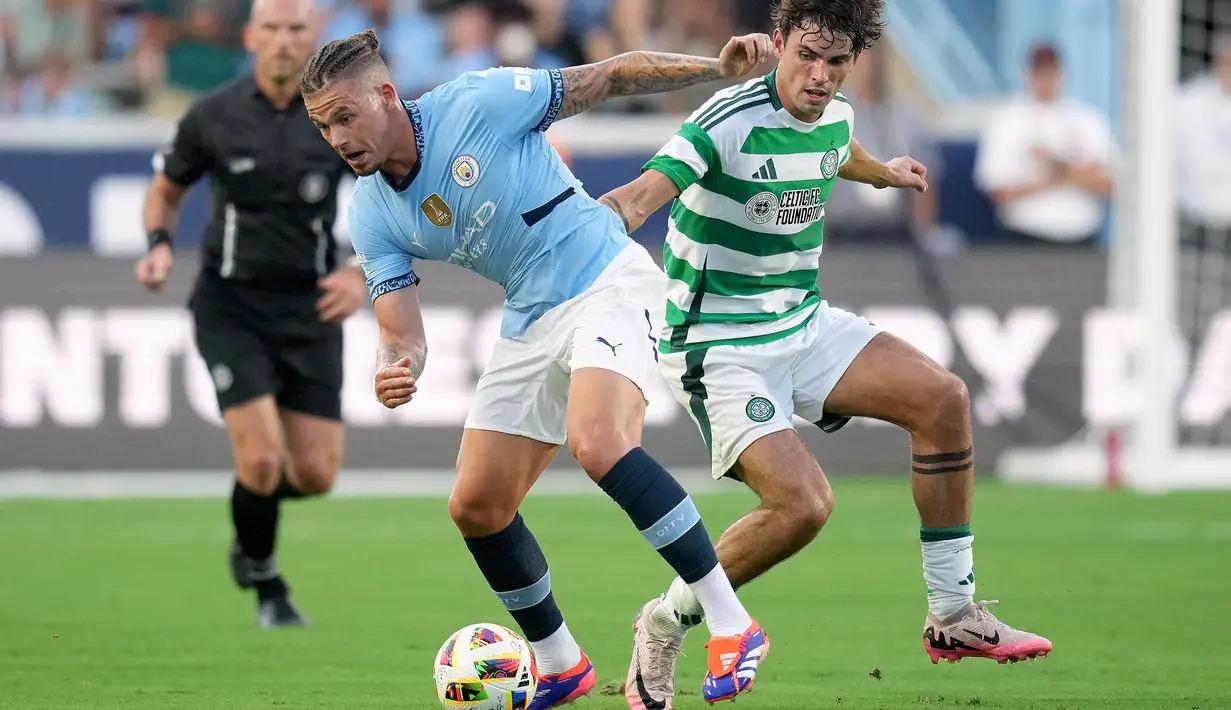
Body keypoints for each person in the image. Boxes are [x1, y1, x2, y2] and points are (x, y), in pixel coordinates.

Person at [595, 1, 1054, 707]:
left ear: (850, 65)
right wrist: (587, 228)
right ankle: (663, 619)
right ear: (777, 43)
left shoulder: (835, 115)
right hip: (717, 346)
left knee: (942, 399)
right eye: (805, 56)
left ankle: (953, 614)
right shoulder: (725, 120)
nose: (817, 75)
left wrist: (885, 174)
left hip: (802, 324)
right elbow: (639, 195)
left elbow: (840, 153)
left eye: (835, 63)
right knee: (803, 506)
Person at [300, 29, 772, 709]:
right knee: (476, 507)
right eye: (323, 126)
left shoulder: (479, 102)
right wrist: (394, 366)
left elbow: (609, 75)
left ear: (385, 94)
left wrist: (714, 70)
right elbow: (402, 333)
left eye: (345, 117)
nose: (337, 138)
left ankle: (732, 625)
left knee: (601, 442)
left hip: (608, 278)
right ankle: (559, 664)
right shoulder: (371, 210)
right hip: (530, 315)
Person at [134, 0, 366, 628]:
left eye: (297, 29)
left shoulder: (342, 116)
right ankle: (266, 580)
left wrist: (360, 272)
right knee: (262, 459)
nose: (285, 42)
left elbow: (399, 198)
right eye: (272, 29)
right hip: (231, 304)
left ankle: (249, 509)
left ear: (314, 37)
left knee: (315, 474)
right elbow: (166, 189)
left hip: (312, 306)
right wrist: (158, 246)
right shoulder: (215, 115)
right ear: (250, 36)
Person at [973, 41, 1117, 247]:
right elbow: (998, 189)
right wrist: (1068, 176)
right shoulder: (1006, 120)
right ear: (1028, 73)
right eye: (1040, 71)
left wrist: (1059, 168)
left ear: (1061, 72)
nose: (1046, 79)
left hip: (1082, 239)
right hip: (1025, 238)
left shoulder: (1088, 120)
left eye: (1051, 71)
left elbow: (1112, 184)